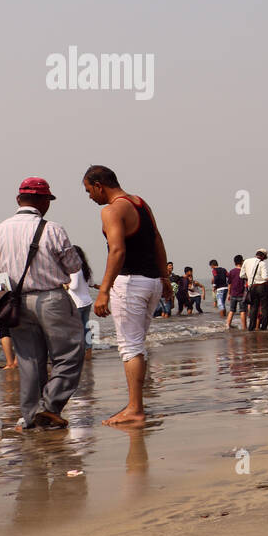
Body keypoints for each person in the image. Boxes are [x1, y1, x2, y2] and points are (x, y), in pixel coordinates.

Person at [0, 177, 85, 430]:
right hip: (51, 298)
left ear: (19, 200)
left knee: (29, 361)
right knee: (69, 354)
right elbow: (74, 265)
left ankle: (30, 417)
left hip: (16, 301)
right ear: (44, 202)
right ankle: (49, 407)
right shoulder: (53, 229)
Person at [83, 166, 172, 426]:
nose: (90, 197)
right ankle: (136, 405)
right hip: (152, 282)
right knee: (137, 345)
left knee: (130, 347)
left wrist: (103, 291)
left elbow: (117, 251)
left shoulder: (111, 210)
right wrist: (164, 277)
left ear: (100, 185)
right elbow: (157, 239)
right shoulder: (141, 204)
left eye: (89, 191)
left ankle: (135, 409)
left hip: (130, 283)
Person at [66, 244, 95, 358]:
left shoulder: (75, 270)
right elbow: (91, 283)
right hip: (87, 302)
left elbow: (74, 286)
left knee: (76, 329)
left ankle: (78, 352)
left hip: (77, 303)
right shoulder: (86, 268)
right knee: (86, 327)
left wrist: (65, 284)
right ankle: (88, 351)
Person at [241, 250, 268, 329]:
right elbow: (265, 277)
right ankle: (263, 327)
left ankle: (251, 327)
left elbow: (241, 275)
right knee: (264, 308)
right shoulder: (262, 263)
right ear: (263, 257)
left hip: (252, 287)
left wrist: (250, 278)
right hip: (262, 287)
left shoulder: (246, 261)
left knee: (253, 308)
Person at [224, 254, 246, 329]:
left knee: (231, 310)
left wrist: (228, 294)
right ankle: (244, 327)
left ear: (234, 262)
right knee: (242, 311)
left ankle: (228, 325)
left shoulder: (231, 272)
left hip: (233, 294)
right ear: (242, 262)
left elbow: (229, 284)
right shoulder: (244, 272)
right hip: (242, 294)